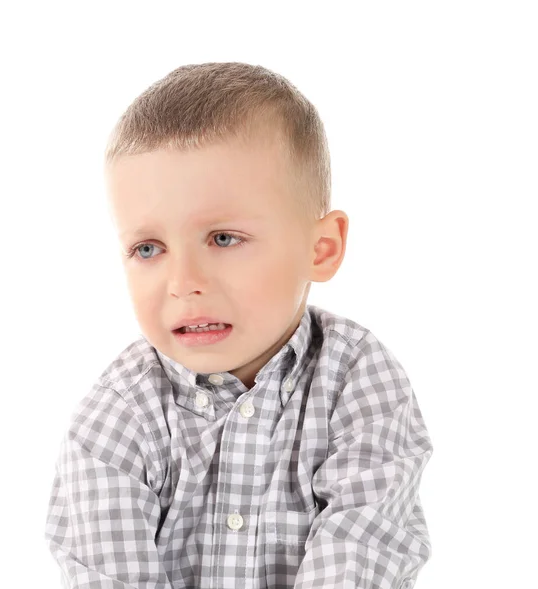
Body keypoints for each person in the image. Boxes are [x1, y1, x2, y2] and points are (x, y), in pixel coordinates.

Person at [44, 61, 433, 589]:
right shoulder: (116, 417)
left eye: (223, 239)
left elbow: (363, 551)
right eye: (148, 248)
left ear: (320, 249)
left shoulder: (360, 381)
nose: (182, 282)